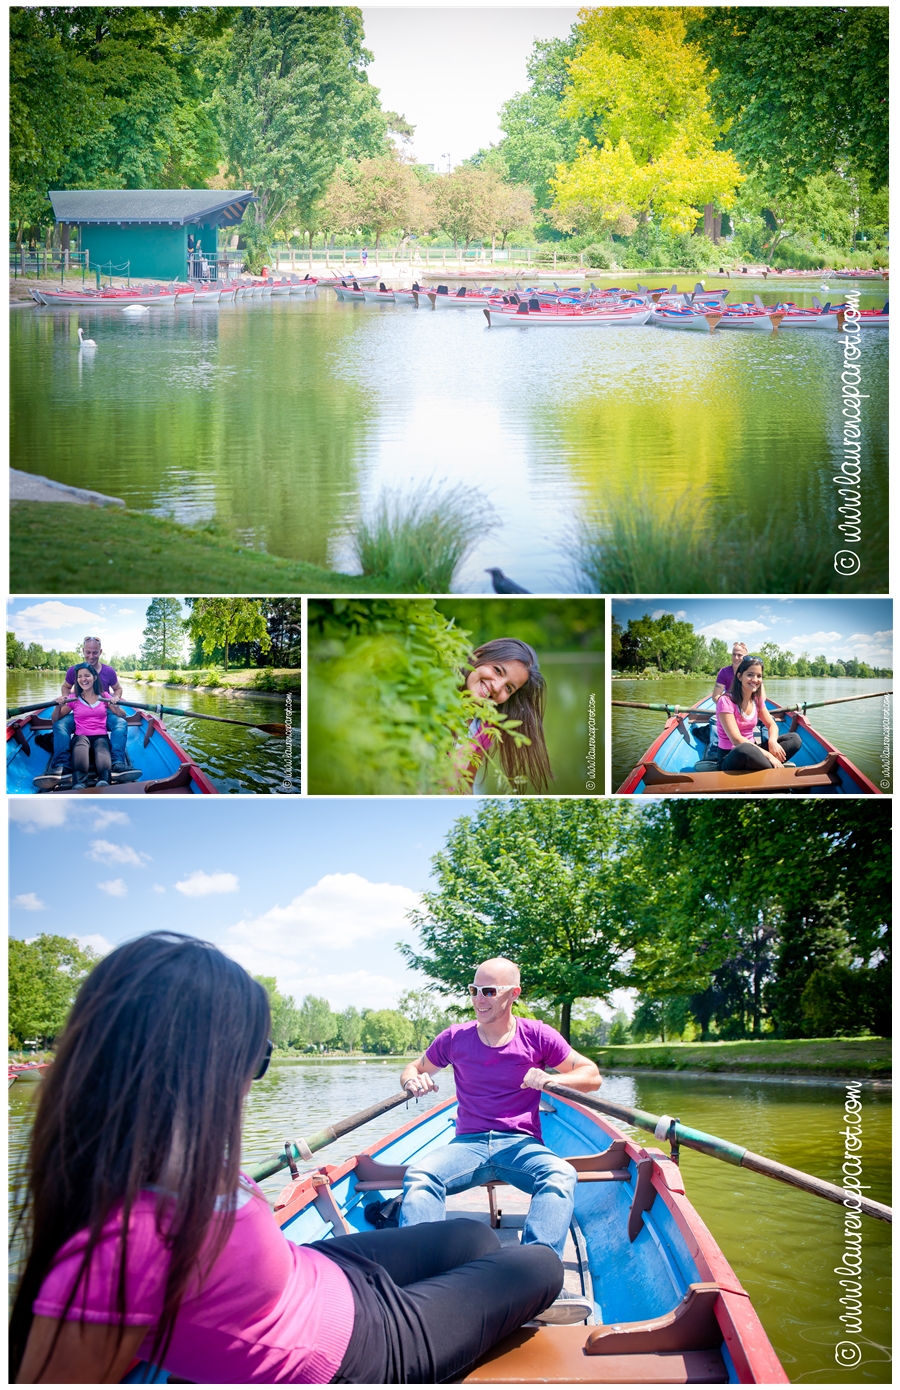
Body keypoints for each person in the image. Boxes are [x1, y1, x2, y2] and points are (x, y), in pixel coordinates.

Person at [11, 934, 564, 1386]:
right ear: (196, 1065)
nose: (253, 1083)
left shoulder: (167, 1153)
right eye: (258, 1058)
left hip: (322, 1274)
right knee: (538, 1265)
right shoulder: (117, 1252)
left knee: (469, 1239)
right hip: (354, 1349)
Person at [399, 956, 601, 1324]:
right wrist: (413, 1080)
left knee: (560, 1175)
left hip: (521, 1145)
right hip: (469, 1145)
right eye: (474, 990)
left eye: (489, 991)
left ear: (513, 994)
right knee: (420, 1175)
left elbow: (591, 1075)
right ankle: (419, 1283)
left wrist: (552, 1080)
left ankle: (535, 1279)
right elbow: (414, 1067)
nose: (479, 998)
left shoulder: (537, 1035)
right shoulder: (454, 1038)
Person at [34, 637, 137, 789]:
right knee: (60, 725)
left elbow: (118, 690)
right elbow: (66, 687)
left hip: (103, 708)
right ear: (83, 651)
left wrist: (115, 700)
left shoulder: (108, 672)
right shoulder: (74, 672)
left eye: (95, 652)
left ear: (100, 652)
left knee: (121, 723)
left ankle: (117, 762)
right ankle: (62, 764)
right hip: (80, 709)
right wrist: (65, 699)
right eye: (88, 652)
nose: (91, 656)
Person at [460, 639, 552, 793]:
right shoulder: (432, 696)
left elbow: (466, 785)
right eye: (497, 670)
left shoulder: (485, 729)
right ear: (478, 655)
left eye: (508, 688)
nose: (496, 687)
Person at [715, 655, 802, 772]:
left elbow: (771, 724)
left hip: (754, 751)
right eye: (750, 675)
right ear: (740, 676)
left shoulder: (757, 699)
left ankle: (766, 769)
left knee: (794, 739)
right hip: (732, 755)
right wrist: (770, 755)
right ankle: (773, 773)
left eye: (759, 676)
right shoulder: (725, 701)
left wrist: (772, 741)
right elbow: (736, 739)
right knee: (745, 749)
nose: (755, 680)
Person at [50, 664, 129, 788]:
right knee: (80, 757)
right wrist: (57, 707)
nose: (83, 679)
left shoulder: (104, 696)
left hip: (101, 737)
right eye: (80, 676)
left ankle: (105, 781)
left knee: (104, 765)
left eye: (87, 675)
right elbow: (56, 720)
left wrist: (116, 706)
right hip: (80, 737)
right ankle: (79, 784)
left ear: (94, 677)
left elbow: (122, 716)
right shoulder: (73, 698)